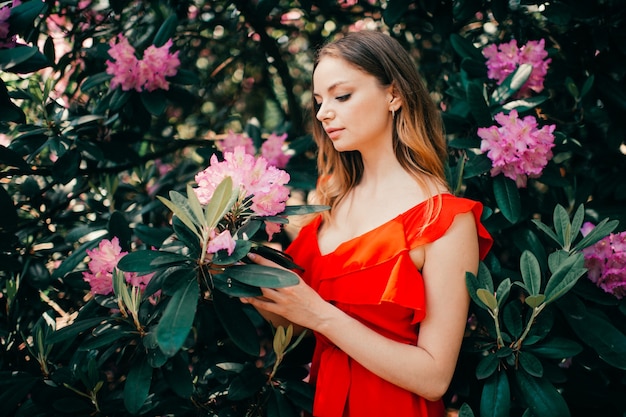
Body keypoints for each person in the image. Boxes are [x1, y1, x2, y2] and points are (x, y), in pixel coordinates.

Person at [242, 30, 493, 417]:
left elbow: (434, 377)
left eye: (341, 96)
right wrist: (255, 283)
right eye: (319, 101)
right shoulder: (329, 200)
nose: (324, 112)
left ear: (394, 95)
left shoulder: (443, 218)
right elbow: (297, 328)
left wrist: (319, 314)